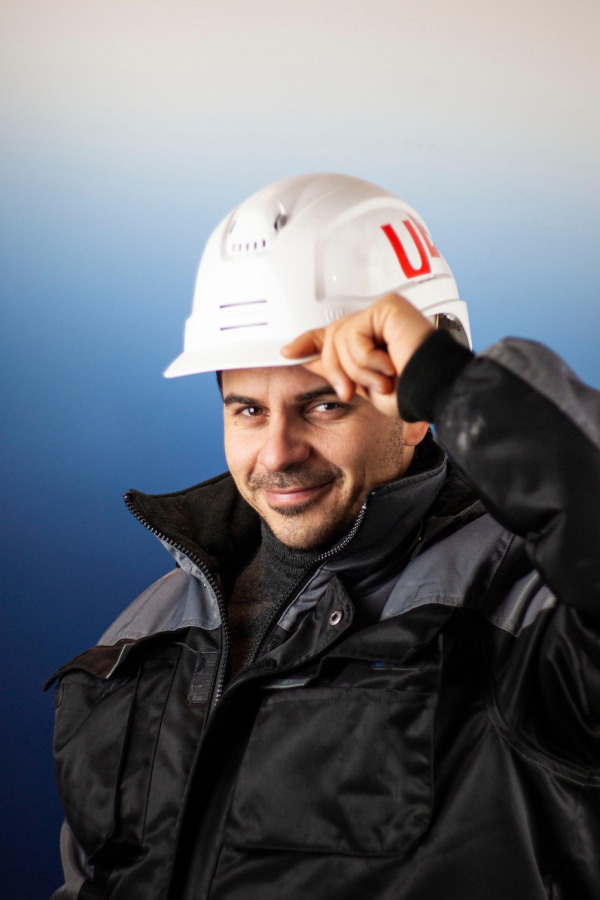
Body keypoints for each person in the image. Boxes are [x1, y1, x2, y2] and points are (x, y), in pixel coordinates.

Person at [48, 174, 600, 900]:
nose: (277, 453)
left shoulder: (521, 620)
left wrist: (454, 379)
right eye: (247, 409)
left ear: (413, 411)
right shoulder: (141, 640)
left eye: (323, 405)